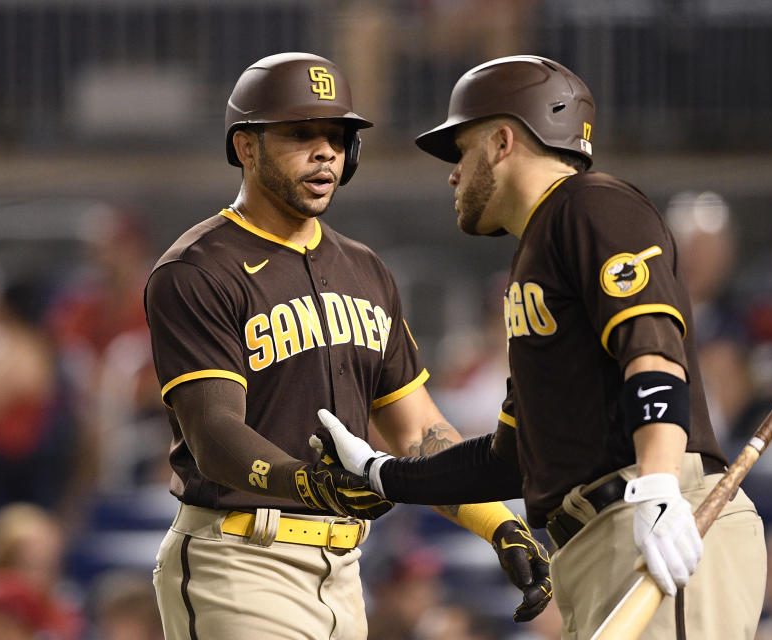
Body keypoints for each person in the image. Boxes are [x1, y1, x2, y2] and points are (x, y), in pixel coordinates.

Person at [317, 55, 767, 639]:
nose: (453, 174)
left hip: (653, 516)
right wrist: (383, 474)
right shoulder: (539, 249)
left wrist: (658, 487)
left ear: (503, 141)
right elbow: (511, 458)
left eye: (462, 150)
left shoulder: (592, 204)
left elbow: (652, 351)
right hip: (596, 541)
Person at [143, 52, 551, 640]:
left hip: (343, 571)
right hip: (238, 558)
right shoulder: (197, 269)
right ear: (246, 147)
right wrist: (308, 481)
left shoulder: (365, 269)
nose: (326, 150)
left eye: (337, 136)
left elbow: (417, 433)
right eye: (301, 133)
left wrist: (499, 525)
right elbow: (214, 436)